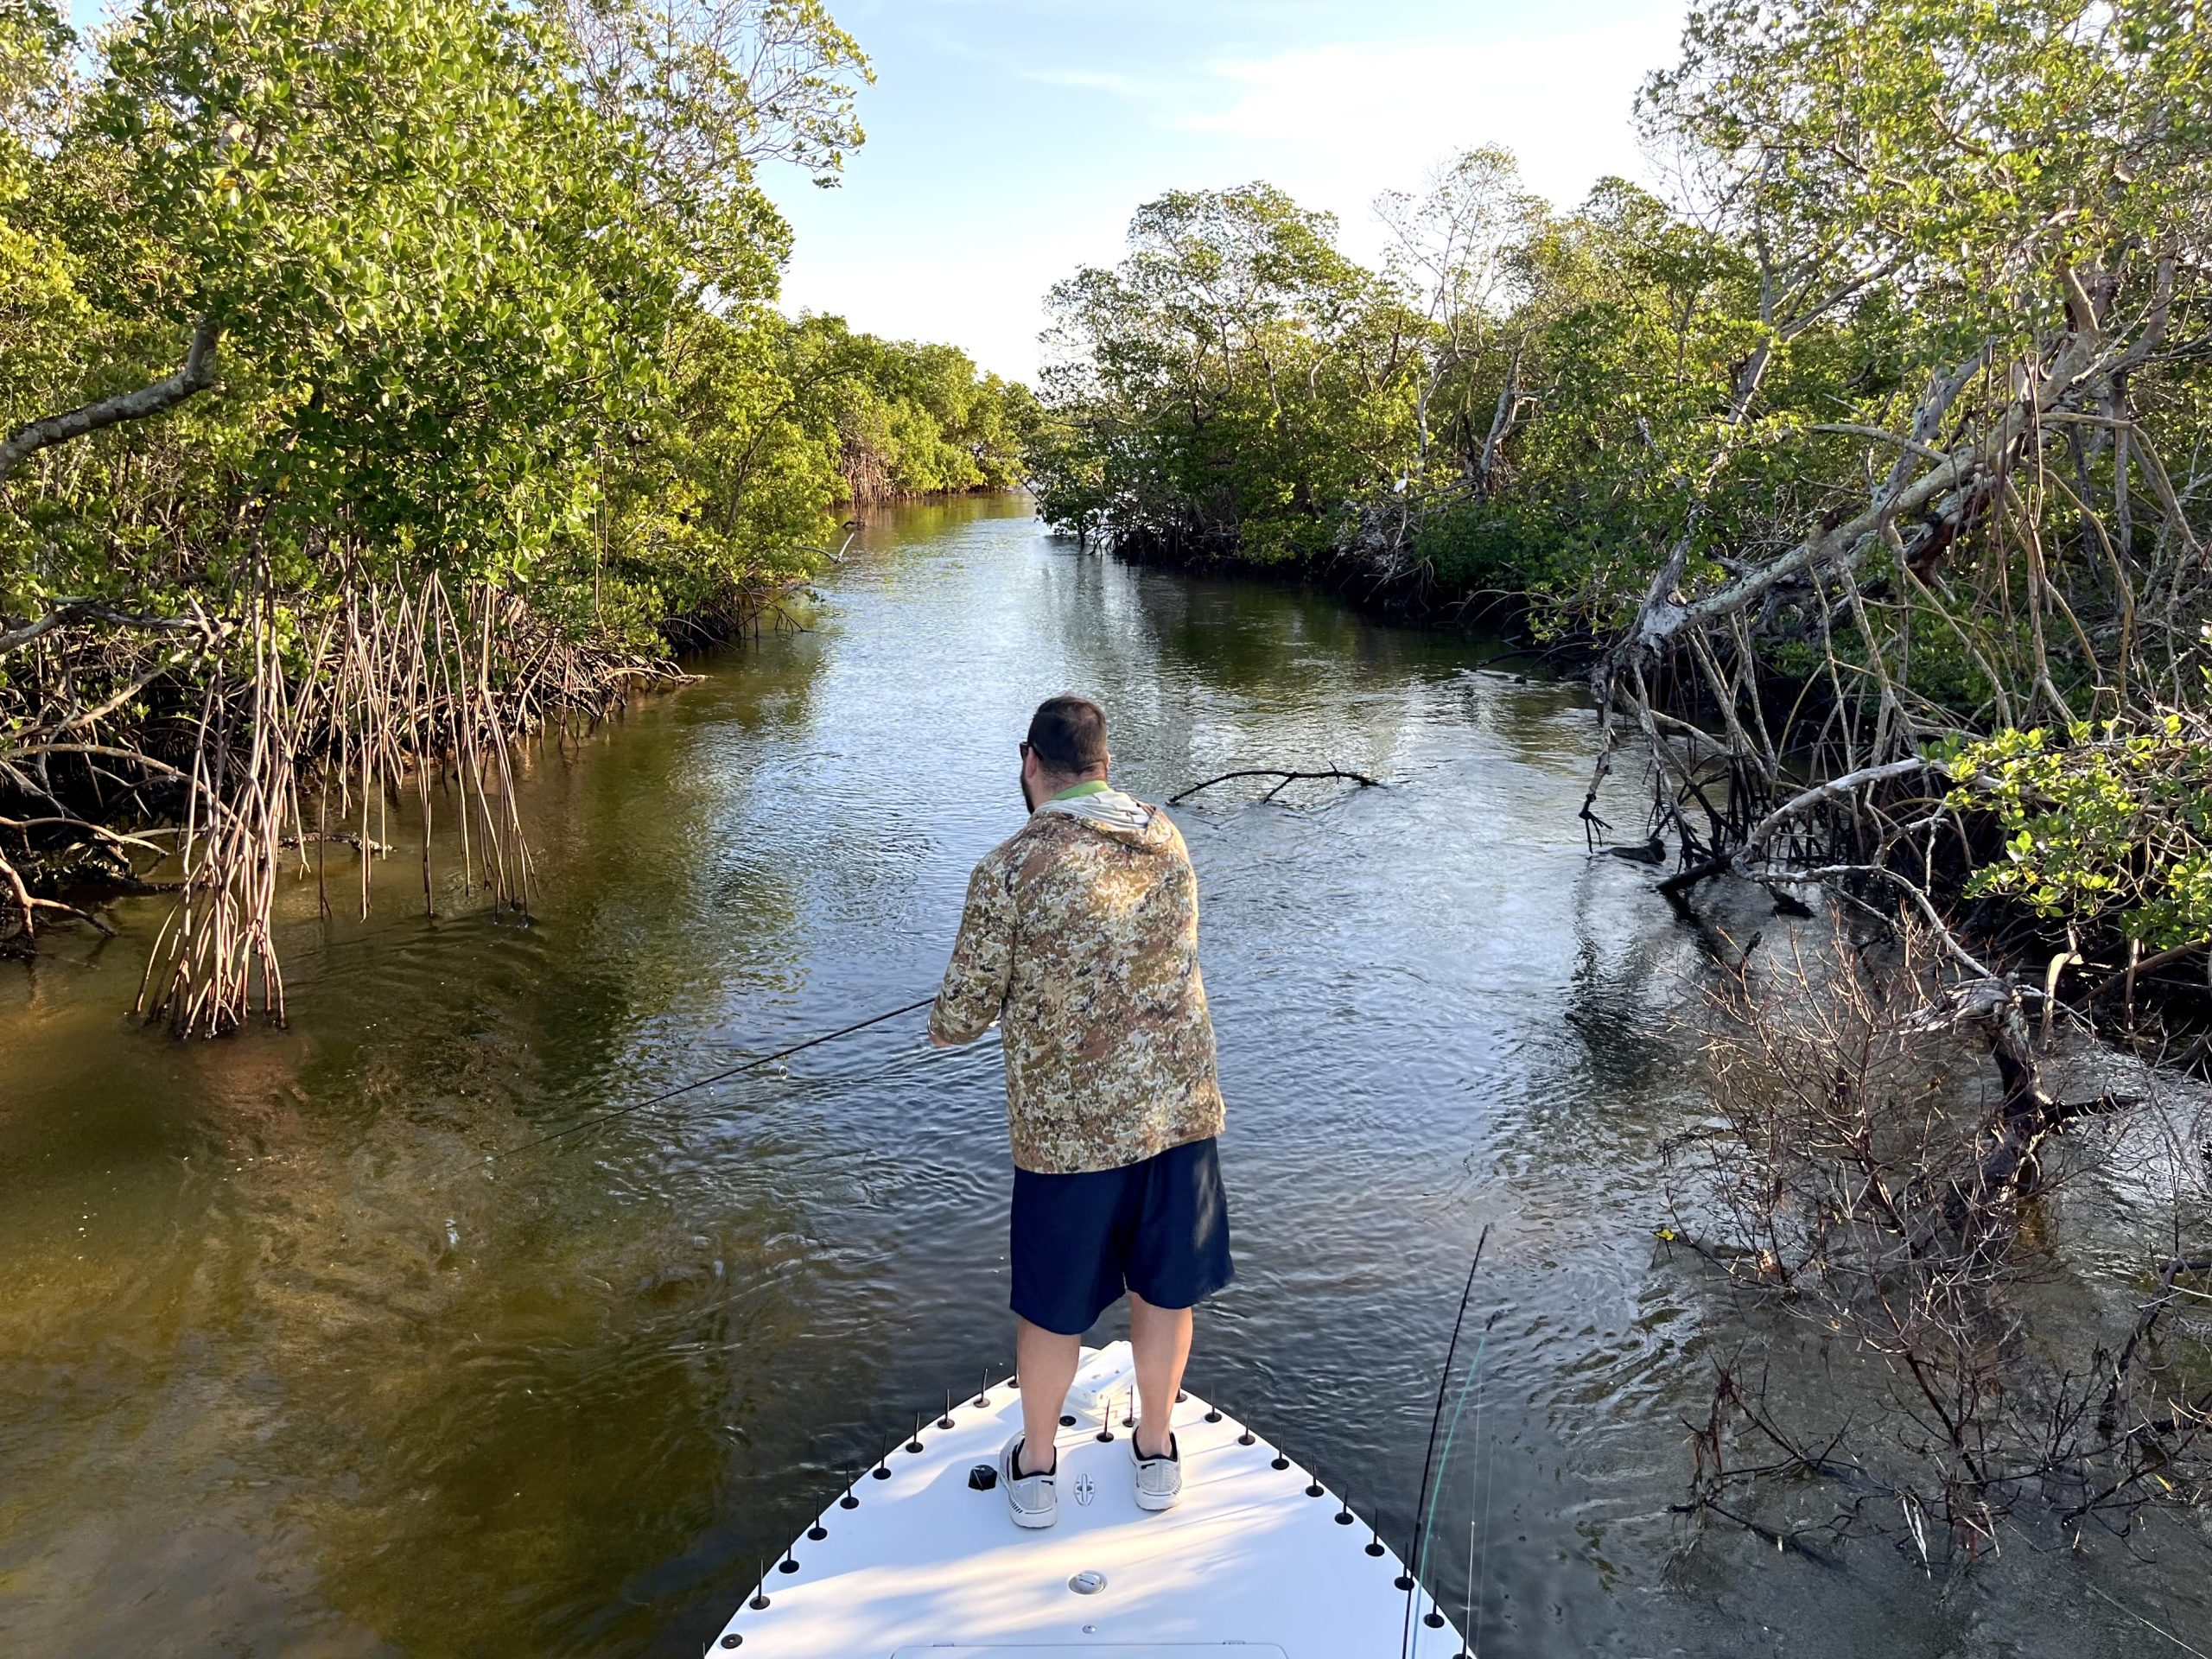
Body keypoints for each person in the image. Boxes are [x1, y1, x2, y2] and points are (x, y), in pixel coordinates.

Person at [929, 694, 1233, 1529]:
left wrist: (949, 1008)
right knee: (1166, 1294)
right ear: (1105, 762)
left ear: (1031, 761)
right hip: (1177, 1119)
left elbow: (959, 1018)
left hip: (1069, 1141)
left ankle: (1035, 1473)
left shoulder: (1009, 868)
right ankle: (1157, 1453)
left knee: (1053, 1308)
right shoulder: (1166, 838)